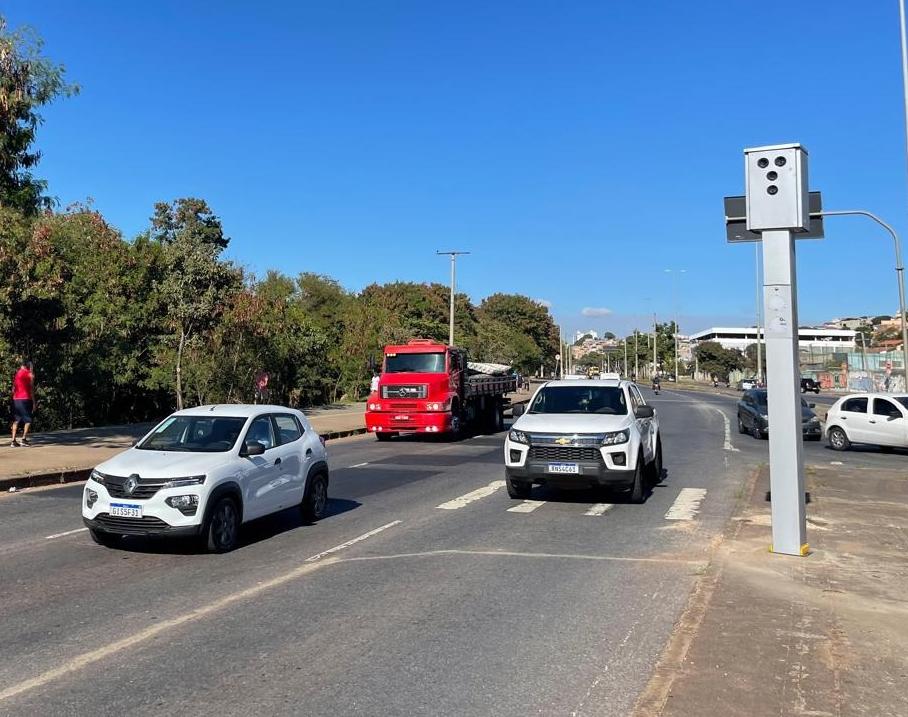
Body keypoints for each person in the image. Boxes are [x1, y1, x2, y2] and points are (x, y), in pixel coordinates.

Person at [11, 359, 35, 447]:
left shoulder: (17, 374)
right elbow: (32, 389)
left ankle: (13, 441)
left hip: (16, 399)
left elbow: (13, 388)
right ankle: (23, 440)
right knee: (28, 420)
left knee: (16, 420)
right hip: (25, 399)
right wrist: (34, 402)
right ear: (29, 366)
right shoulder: (29, 374)